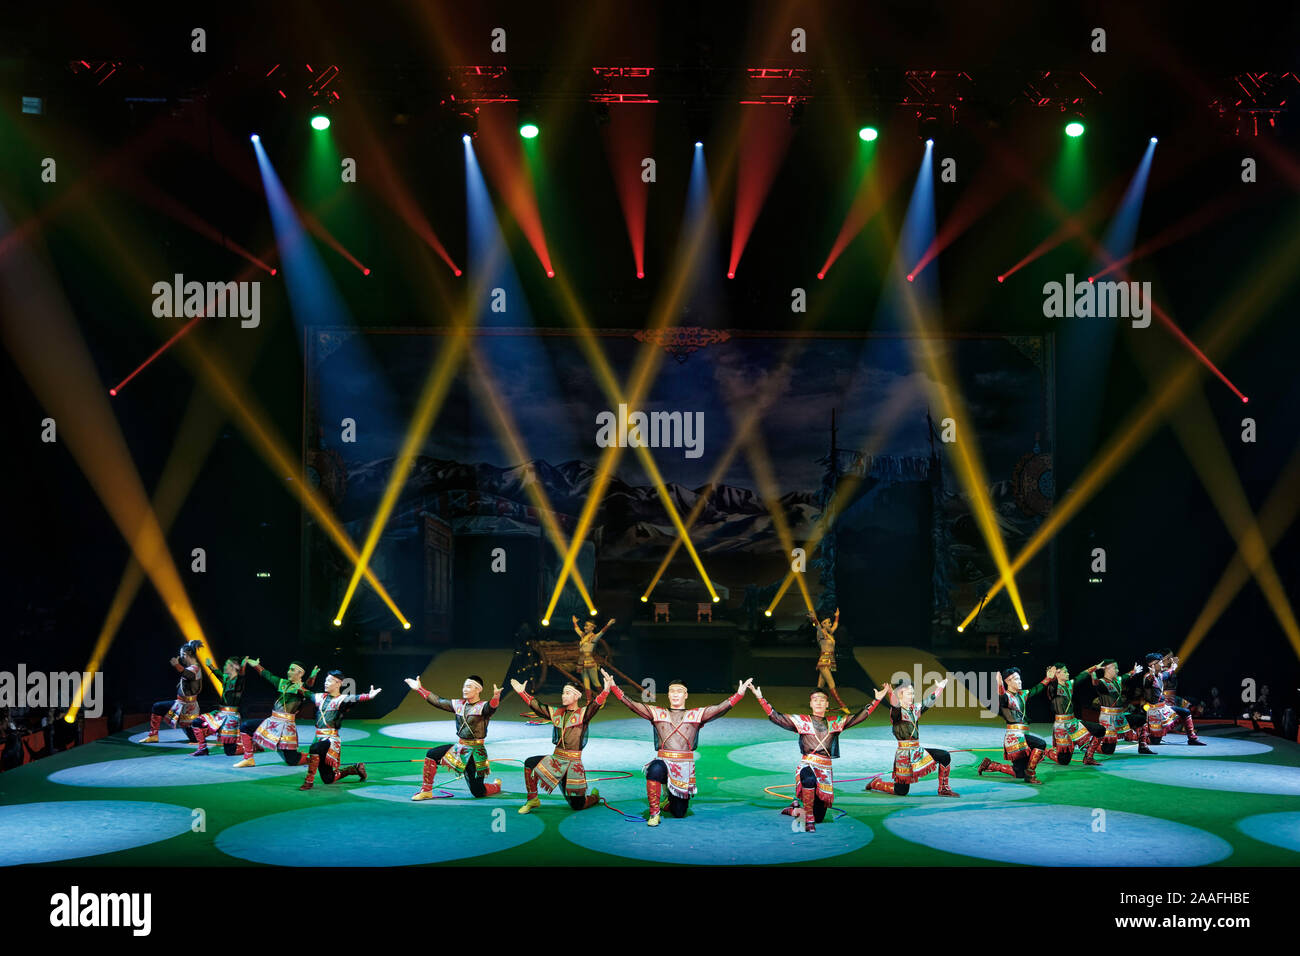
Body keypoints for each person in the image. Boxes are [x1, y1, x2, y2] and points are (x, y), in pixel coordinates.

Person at [603, 668, 750, 826]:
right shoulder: (658, 713)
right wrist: (614, 687)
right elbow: (633, 705)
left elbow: (719, 708)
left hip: (683, 768)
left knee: (679, 813)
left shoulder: (695, 715)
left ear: (685, 695)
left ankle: (669, 799)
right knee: (654, 769)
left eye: (679, 691)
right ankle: (654, 813)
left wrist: (739, 695)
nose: (675, 694)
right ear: (668, 695)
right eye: (671, 691)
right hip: (663, 762)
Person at [755, 683, 888, 830]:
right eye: (815, 699)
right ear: (811, 704)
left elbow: (858, 717)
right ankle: (809, 819)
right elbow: (776, 717)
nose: (818, 702)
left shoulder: (835, 722)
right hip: (808, 766)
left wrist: (876, 700)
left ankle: (794, 810)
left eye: (822, 700)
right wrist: (760, 698)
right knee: (808, 777)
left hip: (825, 772)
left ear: (827, 704)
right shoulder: (801, 721)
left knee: (819, 817)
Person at [512, 674, 609, 813]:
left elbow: (595, 705)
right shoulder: (557, 713)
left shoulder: (583, 714)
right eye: (563, 693)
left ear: (577, 696)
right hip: (556, 761)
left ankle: (594, 796)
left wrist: (605, 691)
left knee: (577, 806)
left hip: (573, 765)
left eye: (568, 693)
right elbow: (538, 707)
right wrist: (522, 692)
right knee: (529, 762)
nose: (563, 696)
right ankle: (532, 799)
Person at [408, 675, 503, 800]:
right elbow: (438, 701)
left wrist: (496, 697)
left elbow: (491, 707)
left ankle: (496, 786)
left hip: (476, 753)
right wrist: (420, 688)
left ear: (478, 689)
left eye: (469, 686)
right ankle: (426, 791)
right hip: (460, 748)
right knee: (432, 754)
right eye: (464, 686)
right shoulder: (458, 704)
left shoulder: (483, 707)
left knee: (478, 792)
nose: (465, 689)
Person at [866, 676, 961, 797]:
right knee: (901, 792)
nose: (912, 696)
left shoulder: (915, 709)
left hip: (917, 751)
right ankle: (876, 783)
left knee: (944, 755)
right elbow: (895, 706)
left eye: (913, 693)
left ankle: (943, 789)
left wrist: (940, 687)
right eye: (909, 694)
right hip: (904, 756)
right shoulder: (897, 713)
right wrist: (890, 693)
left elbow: (928, 701)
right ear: (900, 694)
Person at [233, 659, 319, 768]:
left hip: (285, 728)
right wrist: (257, 666)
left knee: (292, 761)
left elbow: (308, 687)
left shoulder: (300, 688)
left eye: (292, 670)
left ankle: (313, 757)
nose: (288, 672)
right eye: (289, 669)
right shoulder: (282, 683)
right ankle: (248, 759)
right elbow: (268, 675)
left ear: (300, 673)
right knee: (246, 726)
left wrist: (312, 677)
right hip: (273, 721)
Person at [300, 670, 377, 790]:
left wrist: (369, 696)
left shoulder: (341, 699)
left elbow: (355, 697)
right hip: (318, 738)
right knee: (328, 779)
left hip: (331, 740)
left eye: (329, 681)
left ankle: (309, 781)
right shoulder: (319, 697)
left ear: (338, 684)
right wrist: (301, 682)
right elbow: (305, 693)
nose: (326, 683)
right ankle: (354, 769)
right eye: (326, 680)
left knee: (314, 748)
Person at [976, 667, 1048, 784]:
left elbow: (1036, 689)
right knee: (1041, 743)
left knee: (1019, 773)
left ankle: (990, 765)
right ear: (1007, 681)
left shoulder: (1022, 694)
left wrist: (1048, 678)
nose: (1019, 681)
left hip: (1024, 735)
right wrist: (999, 685)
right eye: (1015, 679)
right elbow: (1002, 695)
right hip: (1015, 738)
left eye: (1019, 679)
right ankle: (1030, 776)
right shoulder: (1006, 698)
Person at [1040, 663, 1107, 766]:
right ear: (1057, 674)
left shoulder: (1069, 684)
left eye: (1067, 671)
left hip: (1073, 722)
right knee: (1064, 761)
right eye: (1065, 671)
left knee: (1100, 729)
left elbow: (1081, 676)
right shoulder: (1053, 688)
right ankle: (1046, 752)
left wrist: (1095, 668)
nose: (1068, 673)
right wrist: (1050, 677)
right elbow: (1053, 685)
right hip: (1061, 726)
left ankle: (1088, 758)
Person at [144, 640, 204, 743]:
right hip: (181, 704)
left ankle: (205, 733)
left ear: (186, 654)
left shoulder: (195, 669)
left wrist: (176, 665)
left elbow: (187, 674)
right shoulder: (192, 668)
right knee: (158, 707)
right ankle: (153, 735)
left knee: (193, 736)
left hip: (186, 706)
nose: (180, 658)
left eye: (181, 655)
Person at [1144, 653, 1205, 746]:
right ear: (1152, 665)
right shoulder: (1147, 677)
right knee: (1154, 742)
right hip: (1155, 713)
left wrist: (1174, 666)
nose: (1162, 664)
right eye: (1160, 662)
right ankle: (1141, 735)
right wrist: (1152, 676)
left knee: (1185, 712)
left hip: (1163, 709)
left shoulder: (1159, 675)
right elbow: (1148, 683)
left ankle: (1192, 738)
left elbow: (1169, 672)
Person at [191, 656, 246, 756]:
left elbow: (241, 675)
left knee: (230, 752)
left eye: (227, 665)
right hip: (220, 714)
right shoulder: (226, 679)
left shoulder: (238, 682)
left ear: (234, 667)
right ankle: (203, 749)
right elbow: (218, 674)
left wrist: (243, 665)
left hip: (231, 717)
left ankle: (252, 746)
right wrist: (210, 666)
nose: (224, 666)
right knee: (197, 722)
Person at [1090, 660, 1144, 754]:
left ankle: (1143, 746)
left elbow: (1126, 676)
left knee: (1141, 719)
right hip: (1108, 718)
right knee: (1108, 751)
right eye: (1115, 668)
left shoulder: (1118, 680)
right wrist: (1094, 669)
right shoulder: (1102, 682)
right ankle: (1092, 745)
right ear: (1107, 669)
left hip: (1119, 717)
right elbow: (1095, 682)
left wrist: (1133, 671)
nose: (1117, 670)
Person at [809, 608, 849, 713]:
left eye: (829, 622)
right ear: (822, 625)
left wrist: (837, 616)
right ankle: (842, 705)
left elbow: (835, 625)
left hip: (830, 660)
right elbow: (817, 626)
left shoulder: (830, 633)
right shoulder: (821, 633)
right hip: (824, 661)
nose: (829, 624)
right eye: (826, 623)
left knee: (820, 686)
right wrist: (814, 619)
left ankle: (815, 704)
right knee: (831, 684)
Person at [572, 615, 615, 704]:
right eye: (585, 625)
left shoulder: (594, 637)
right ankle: (589, 701)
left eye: (587, 625)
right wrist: (575, 622)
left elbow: (602, 632)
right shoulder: (583, 636)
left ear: (592, 627)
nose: (585, 627)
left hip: (590, 662)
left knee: (595, 682)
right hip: (582, 662)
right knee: (586, 683)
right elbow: (577, 630)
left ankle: (603, 698)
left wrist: (608, 624)